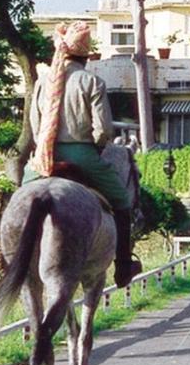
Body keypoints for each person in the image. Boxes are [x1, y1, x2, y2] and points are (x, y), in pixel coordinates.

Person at [24, 20, 143, 287]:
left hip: (44, 157)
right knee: (122, 202)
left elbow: (35, 125)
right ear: (85, 56)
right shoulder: (91, 81)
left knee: (19, 196)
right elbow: (103, 130)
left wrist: (45, 147)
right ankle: (123, 265)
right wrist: (96, 149)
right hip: (82, 155)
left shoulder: (43, 82)